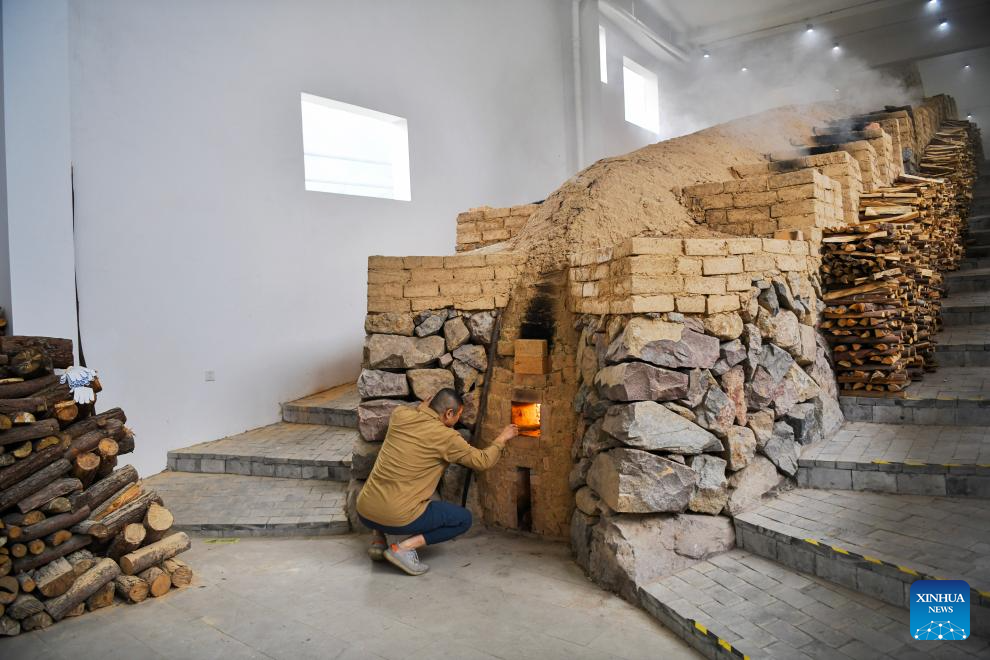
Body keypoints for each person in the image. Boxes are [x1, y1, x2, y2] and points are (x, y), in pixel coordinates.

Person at [356, 388, 517, 576]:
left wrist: (423, 408)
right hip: (397, 517)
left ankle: (378, 539)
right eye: (458, 415)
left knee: (389, 481)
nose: (457, 420)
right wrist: (502, 438)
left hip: (364, 511)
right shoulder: (447, 437)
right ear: (449, 413)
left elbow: (418, 411)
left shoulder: (400, 415)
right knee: (463, 519)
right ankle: (404, 548)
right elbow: (482, 460)